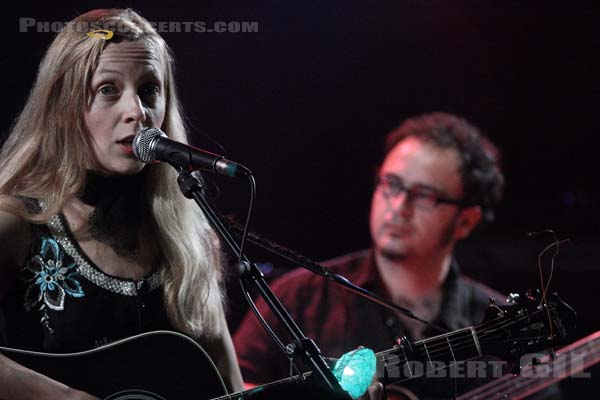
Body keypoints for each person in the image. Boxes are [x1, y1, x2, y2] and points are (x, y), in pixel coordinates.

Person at [0, 8, 244, 399]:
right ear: (62, 107)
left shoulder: (186, 239)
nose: (137, 112)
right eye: (108, 90)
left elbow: (230, 388)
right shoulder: (16, 223)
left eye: (149, 90)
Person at [234, 112, 513, 398]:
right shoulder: (298, 297)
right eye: (391, 184)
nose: (399, 206)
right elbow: (231, 386)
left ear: (466, 220)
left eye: (425, 195)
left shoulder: (503, 324)